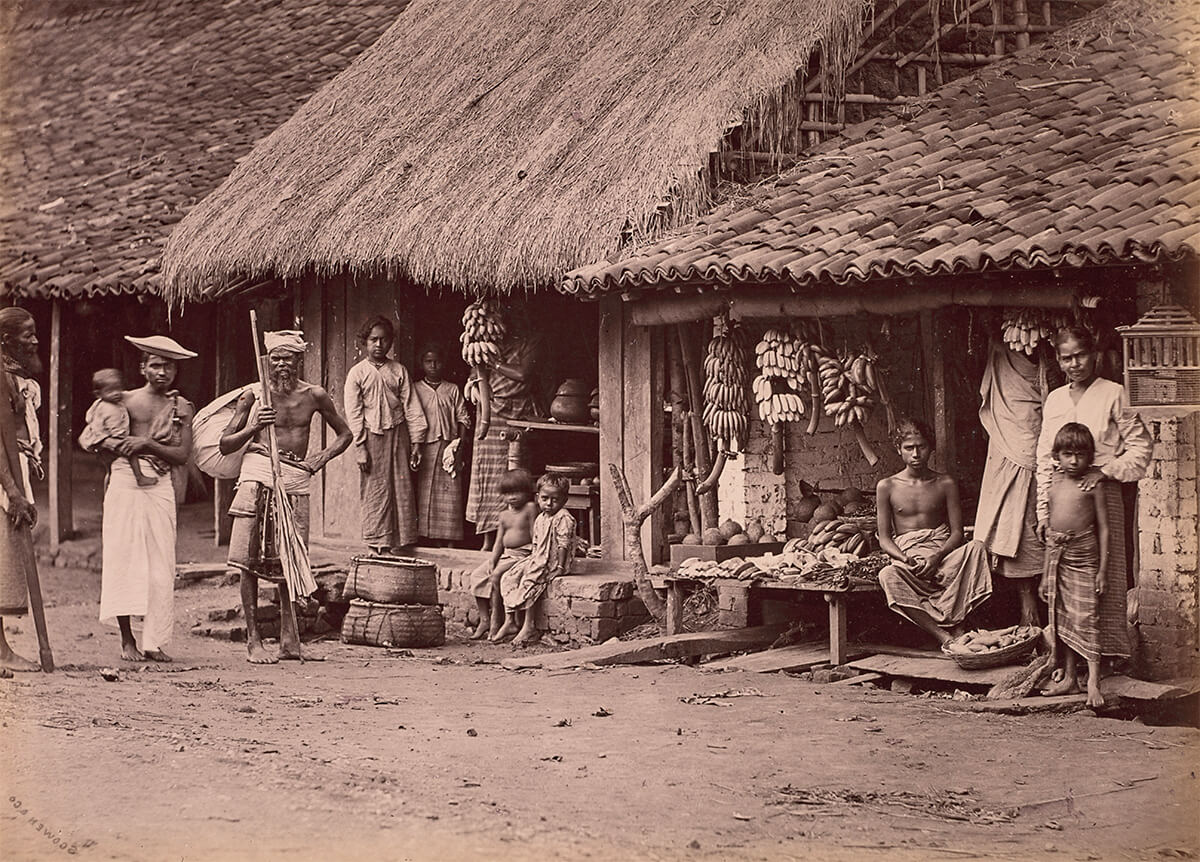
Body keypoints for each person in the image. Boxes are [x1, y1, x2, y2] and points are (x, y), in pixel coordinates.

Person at [220, 330, 352, 664]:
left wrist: (317, 461)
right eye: (275, 358)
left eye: (287, 358)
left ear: (299, 360)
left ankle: (290, 640)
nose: (281, 364)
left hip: (294, 480)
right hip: (258, 476)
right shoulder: (253, 396)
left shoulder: (315, 395)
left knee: (289, 560)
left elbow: (346, 434)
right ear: (267, 360)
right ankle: (253, 641)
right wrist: (253, 428)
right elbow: (225, 444)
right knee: (248, 561)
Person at [1035, 326, 1152, 661]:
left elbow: (1141, 449)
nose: (1075, 364)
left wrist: (1105, 470)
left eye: (1081, 355)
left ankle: (1105, 661)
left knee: (1105, 582)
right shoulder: (1055, 399)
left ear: (1094, 355)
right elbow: (1045, 456)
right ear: (1058, 360)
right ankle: (1068, 664)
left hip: (1100, 495)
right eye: (1067, 358)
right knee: (1062, 585)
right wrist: (1043, 511)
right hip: (1062, 500)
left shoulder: (1114, 393)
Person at [99, 335, 196, 662]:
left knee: (160, 564)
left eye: (169, 366)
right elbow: (99, 440)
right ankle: (127, 639)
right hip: (126, 482)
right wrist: (120, 457)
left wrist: (147, 445)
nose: (162, 372)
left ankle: (154, 641)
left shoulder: (181, 407)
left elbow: (182, 454)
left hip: (160, 484)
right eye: (155, 364)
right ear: (142, 367)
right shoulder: (123, 401)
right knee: (124, 559)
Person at [876, 417, 992, 646]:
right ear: (899, 450)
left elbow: (957, 533)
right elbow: (885, 539)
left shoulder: (945, 483)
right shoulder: (887, 486)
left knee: (977, 548)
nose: (916, 454)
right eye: (909, 448)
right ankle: (944, 636)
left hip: (943, 558)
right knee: (887, 575)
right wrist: (904, 558)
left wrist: (937, 556)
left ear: (931, 448)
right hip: (909, 562)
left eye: (922, 447)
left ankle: (957, 622)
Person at [974, 334, 1046, 626]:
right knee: (1012, 524)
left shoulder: (1046, 359)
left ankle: (1044, 618)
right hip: (1007, 445)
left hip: (1036, 447)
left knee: (1036, 521)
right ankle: (1027, 613)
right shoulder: (1002, 353)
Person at [344, 316, 427, 555]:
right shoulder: (357, 373)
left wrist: (417, 443)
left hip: (398, 433)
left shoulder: (398, 370)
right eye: (373, 340)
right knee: (375, 487)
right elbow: (354, 411)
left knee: (400, 486)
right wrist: (360, 446)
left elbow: (411, 406)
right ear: (364, 342)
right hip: (371, 437)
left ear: (391, 342)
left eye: (384, 340)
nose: (379, 345)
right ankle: (376, 542)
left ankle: (399, 543)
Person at [1040, 423, 1109, 708]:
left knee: (1087, 617)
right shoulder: (1054, 481)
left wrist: (1103, 569)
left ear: (1090, 456)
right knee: (1063, 616)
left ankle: (1093, 681)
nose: (1074, 461)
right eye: (1067, 454)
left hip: (1084, 555)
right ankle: (1069, 677)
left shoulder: (1093, 483)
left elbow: (1104, 528)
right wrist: (1045, 574)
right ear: (1057, 455)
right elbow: (1051, 534)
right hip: (1058, 556)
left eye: (1080, 454)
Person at [466, 306, 542, 543]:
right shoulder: (489, 342)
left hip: (515, 413)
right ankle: (489, 538)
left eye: (520, 315)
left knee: (511, 471)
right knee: (486, 475)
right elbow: (474, 374)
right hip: (490, 411)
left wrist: (495, 364)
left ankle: (513, 537)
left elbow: (523, 374)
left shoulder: (532, 342)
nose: (516, 321)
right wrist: (474, 388)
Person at [0, 307, 44, 673]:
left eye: (35, 333)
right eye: (27, 334)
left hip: (15, 476)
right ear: (5, 341)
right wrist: (13, 491)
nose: (34, 340)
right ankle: (1, 651)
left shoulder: (17, 378)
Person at [496, 473, 576, 646]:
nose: (549, 503)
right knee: (509, 576)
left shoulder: (563, 517)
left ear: (564, 500)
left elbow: (563, 544)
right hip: (539, 557)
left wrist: (560, 567)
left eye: (555, 499)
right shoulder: (541, 517)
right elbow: (537, 543)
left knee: (530, 580)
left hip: (554, 561)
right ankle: (510, 620)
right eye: (545, 498)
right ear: (538, 497)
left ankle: (529, 625)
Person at [469, 468, 536, 640]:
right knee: (477, 575)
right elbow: (499, 541)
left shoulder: (529, 508)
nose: (512, 497)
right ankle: (484, 619)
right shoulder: (504, 514)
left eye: (517, 492)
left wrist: (534, 557)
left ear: (527, 492)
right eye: (507, 493)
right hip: (506, 554)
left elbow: (535, 533)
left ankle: (497, 619)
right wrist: (493, 559)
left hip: (522, 554)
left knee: (497, 575)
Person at [413, 344, 471, 545]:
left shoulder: (452, 389)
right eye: (428, 361)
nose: (433, 365)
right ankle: (430, 540)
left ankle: (450, 542)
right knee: (425, 493)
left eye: (437, 361)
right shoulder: (416, 389)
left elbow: (463, 418)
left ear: (444, 363)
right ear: (422, 364)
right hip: (425, 446)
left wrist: (460, 447)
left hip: (450, 447)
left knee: (451, 496)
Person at [79, 368, 157, 486]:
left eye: (118, 388)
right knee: (132, 450)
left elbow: (89, 417)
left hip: (99, 441)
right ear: (98, 394)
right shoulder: (110, 409)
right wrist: (122, 438)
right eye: (110, 391)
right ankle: (139, 476)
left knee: (110, 472)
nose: (116, 393)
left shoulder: (99, 403)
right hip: (111, 440)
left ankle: (108, 494)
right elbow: (116, 431)